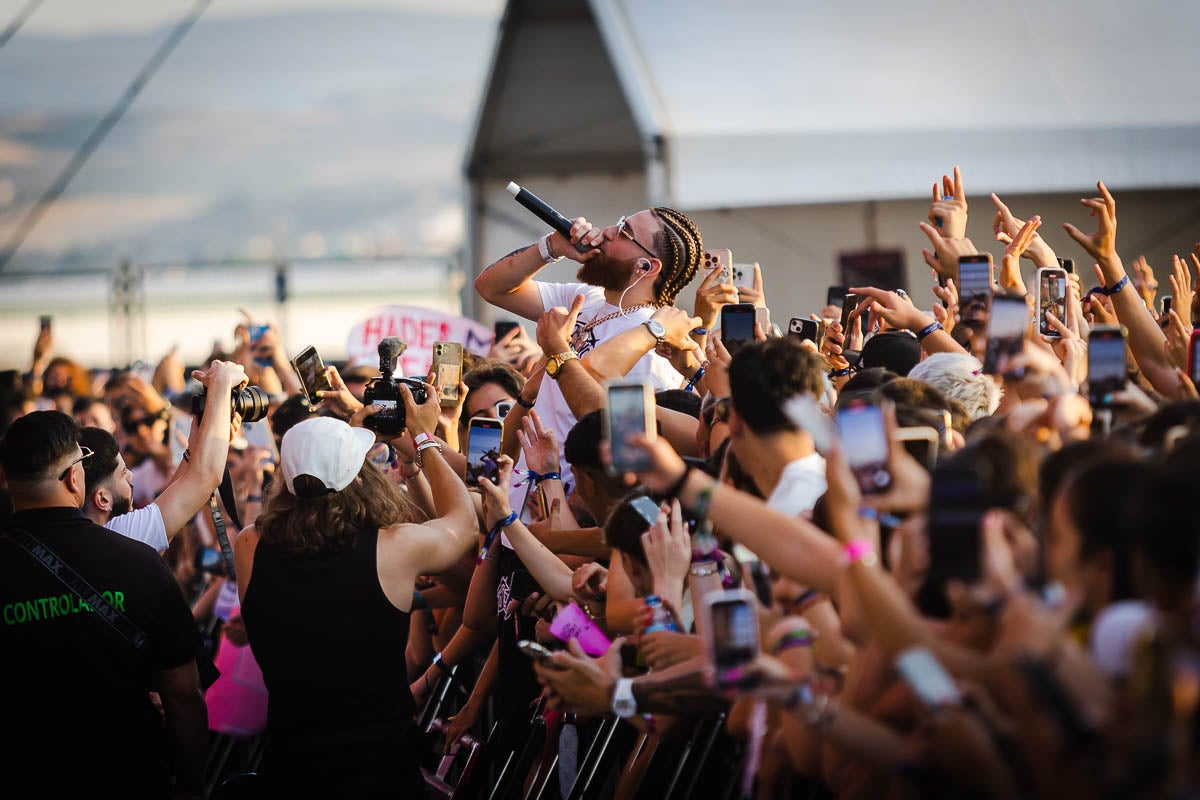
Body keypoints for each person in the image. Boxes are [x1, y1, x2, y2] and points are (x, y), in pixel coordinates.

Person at [233, 381, 477, 796]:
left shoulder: (250, 545)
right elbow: (465, 525)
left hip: (293, 768)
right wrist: (423, 438)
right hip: (381, 772)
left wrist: (340, 448)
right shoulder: (393, 548)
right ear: (360, 473)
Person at [0, 411, 208, 798]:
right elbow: (183, 693)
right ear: (74, 478)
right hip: (129, 774)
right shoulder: (138, 561)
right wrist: (193, 784)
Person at [79, 360, 248, 552]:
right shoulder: (118, 536)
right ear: (102, 499)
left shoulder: (85, 536)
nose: (131, 476)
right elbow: (205, 478)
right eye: (123, 472)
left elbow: (164, 507)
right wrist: (221, 383)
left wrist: (195, 450)